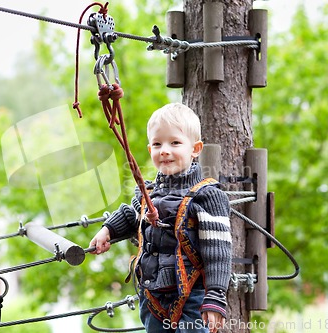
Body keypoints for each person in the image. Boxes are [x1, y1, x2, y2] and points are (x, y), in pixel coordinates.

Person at [89, 103, 232, 333]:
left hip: (193, 299)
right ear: (150, 150)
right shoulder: (148, 193)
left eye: (175, 142)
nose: (164, 150)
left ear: (195, 149)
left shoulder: (207, 197)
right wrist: (107, 230)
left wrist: (214, 298)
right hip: (152, 298)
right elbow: (130, 215)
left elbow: (218, 254)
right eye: (157, 144)